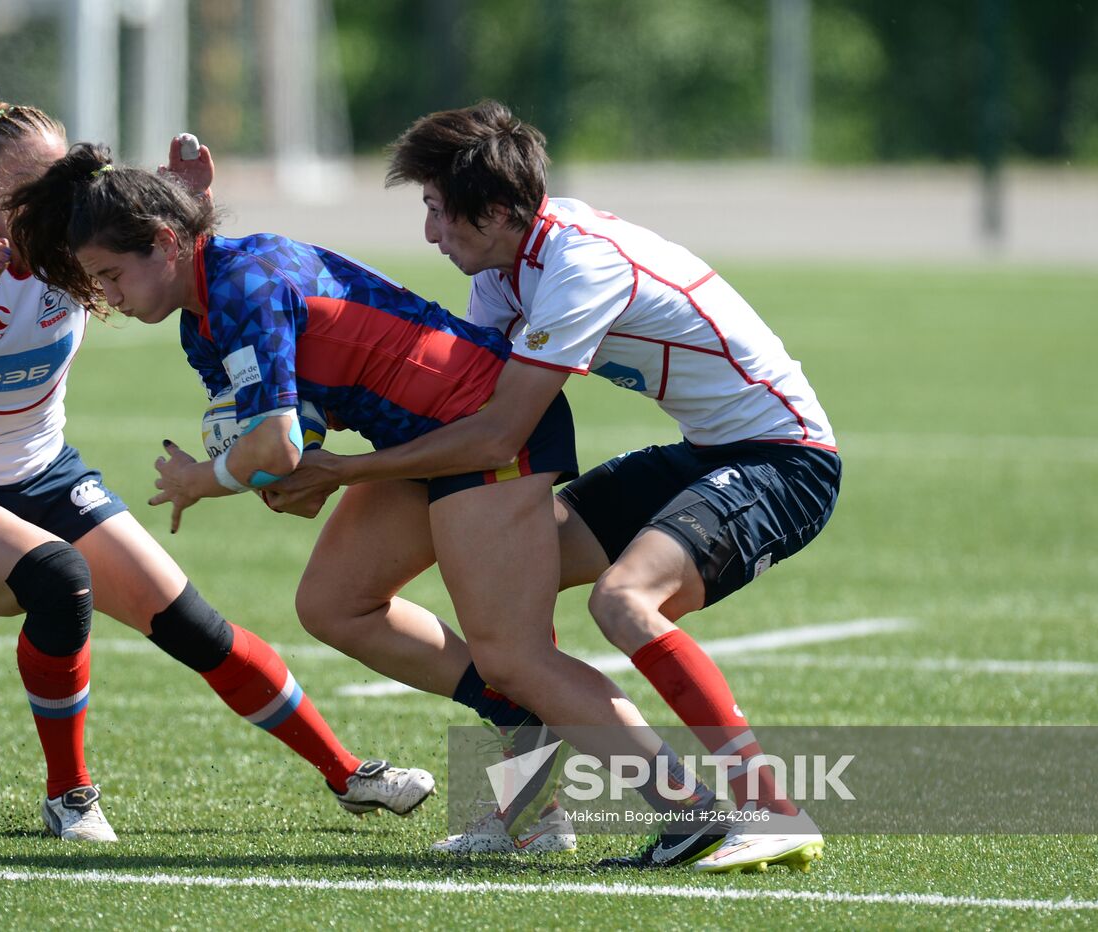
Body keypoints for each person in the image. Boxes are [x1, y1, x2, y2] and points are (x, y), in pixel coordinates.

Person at [8, 143, 733, 866]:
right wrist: (274, 479)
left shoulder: (242, 288)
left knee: (514, 656)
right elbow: (291, 436)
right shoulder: (203, 316)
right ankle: (530, 779)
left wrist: (212, 478)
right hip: (421, 436)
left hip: (480, 430)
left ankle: (689, 809)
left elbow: (280, 444)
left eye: (111, 275)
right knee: (334, 603)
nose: (108, 296)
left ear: (167, 244)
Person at [268, 100, 841, 874]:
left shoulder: (579, 266)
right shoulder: (510, 263)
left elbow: (499, 433)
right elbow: (463, 395)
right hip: (703, 450)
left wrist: (344, 472)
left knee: (621, 602)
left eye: (439, 212)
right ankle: (531, 810)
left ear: (497, 209)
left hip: (785, 460)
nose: (430, 234)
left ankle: (767, 807)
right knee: (506, 598)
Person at [0, 82, 434, 843]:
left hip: (45, 474)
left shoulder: (69, 240)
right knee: (58, 580)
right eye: (24, 192)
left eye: (60, 183)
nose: (51, 204)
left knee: (194, 626)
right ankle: (69, 797)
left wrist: (189, 203)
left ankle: (349, 774)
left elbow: (161, 253)